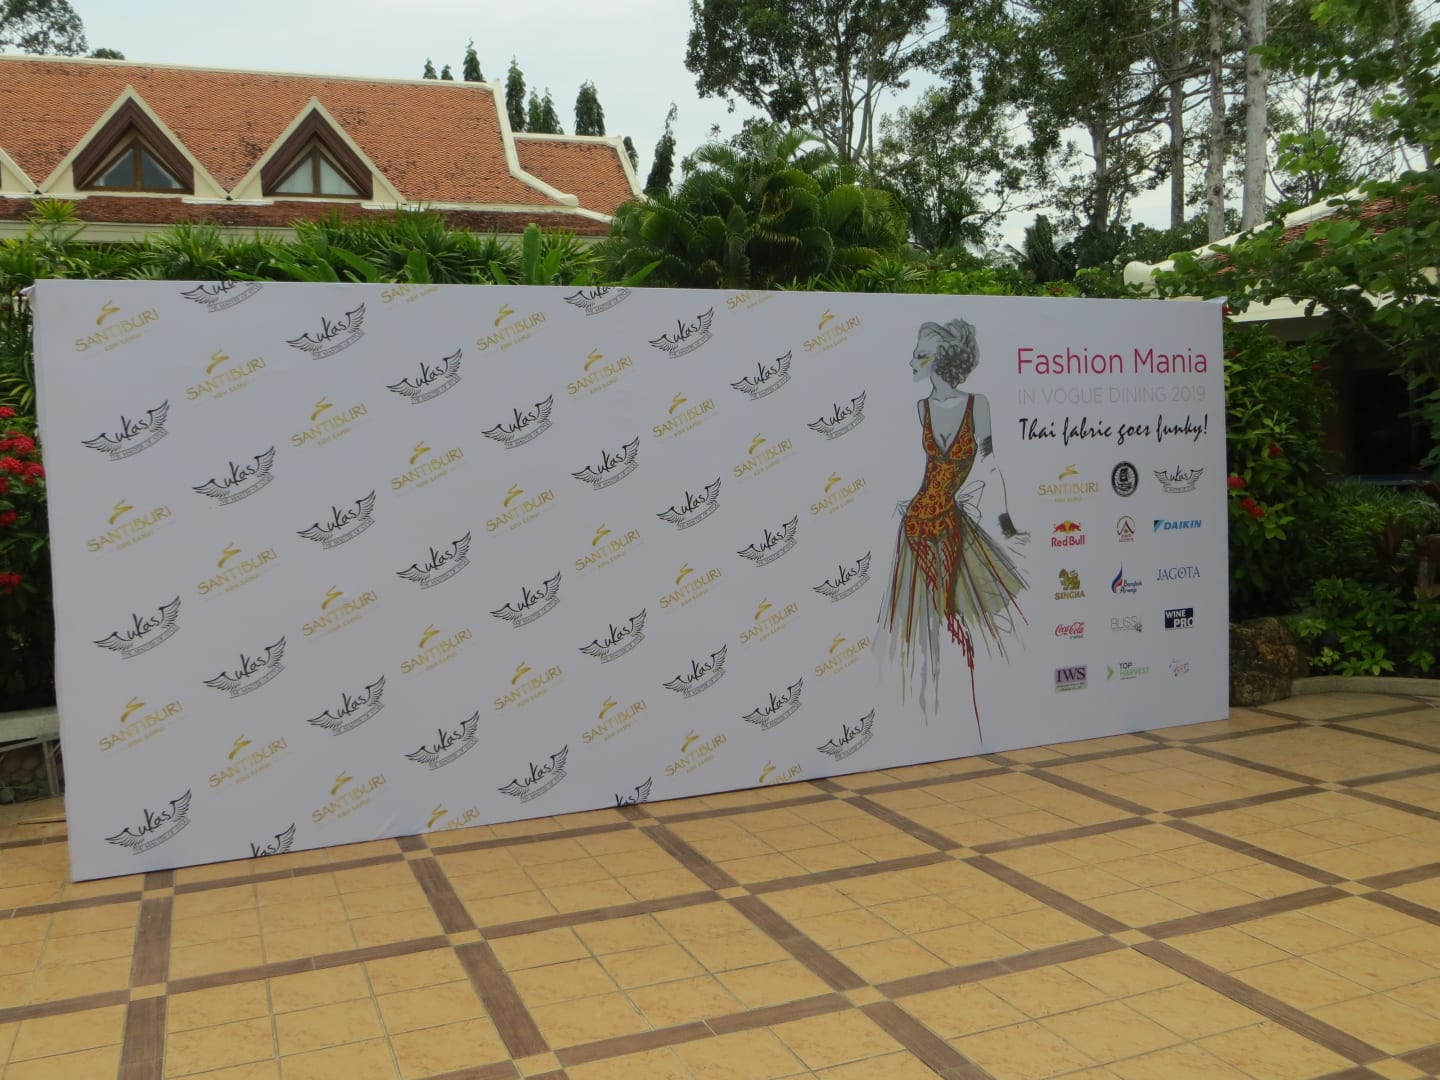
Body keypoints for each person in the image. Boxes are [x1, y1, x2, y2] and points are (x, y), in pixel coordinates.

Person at [876, 317, 1028, 733]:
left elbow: (991, 464)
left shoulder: (978, 405)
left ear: (943, 360)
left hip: (952, 524)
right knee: (924, 624)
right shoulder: (920, 409)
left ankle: (967, 716)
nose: (912, 362)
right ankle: (928, 721)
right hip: (916, 527)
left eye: (921, 355)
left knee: (967, 618)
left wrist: (1007, 522)